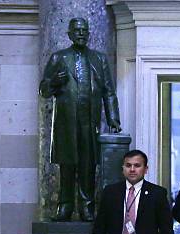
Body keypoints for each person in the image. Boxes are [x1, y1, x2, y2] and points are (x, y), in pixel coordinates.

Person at [40, 17, 121, 222]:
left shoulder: (99, 59)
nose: (81, 33)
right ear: (69, 34)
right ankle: (65, 207)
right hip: (66, 124)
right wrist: (53, 82)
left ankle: (87, 207)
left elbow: (108, 92)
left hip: (89, 123)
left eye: (84, 30)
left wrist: (113, 118)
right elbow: (43, 90)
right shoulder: (59, 57)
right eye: (77, 30)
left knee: (88, 165)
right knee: (67, 165)